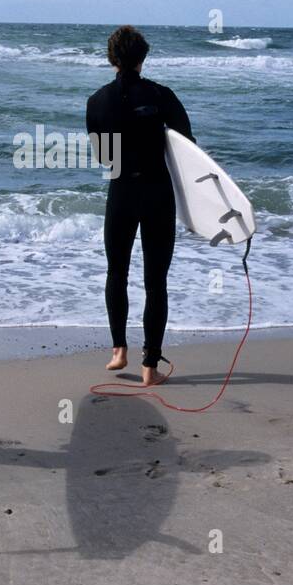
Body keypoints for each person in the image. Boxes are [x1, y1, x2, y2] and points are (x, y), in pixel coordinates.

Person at [86, 26, 194, 387]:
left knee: (116, 271)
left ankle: (119, 350)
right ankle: (151, 367)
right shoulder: (161, 95)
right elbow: (187, 147)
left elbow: (104, 156)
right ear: (142, 58)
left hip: (120, 194)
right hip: (157, 192)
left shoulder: (96, 101)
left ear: (111, 58)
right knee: (155, 281)